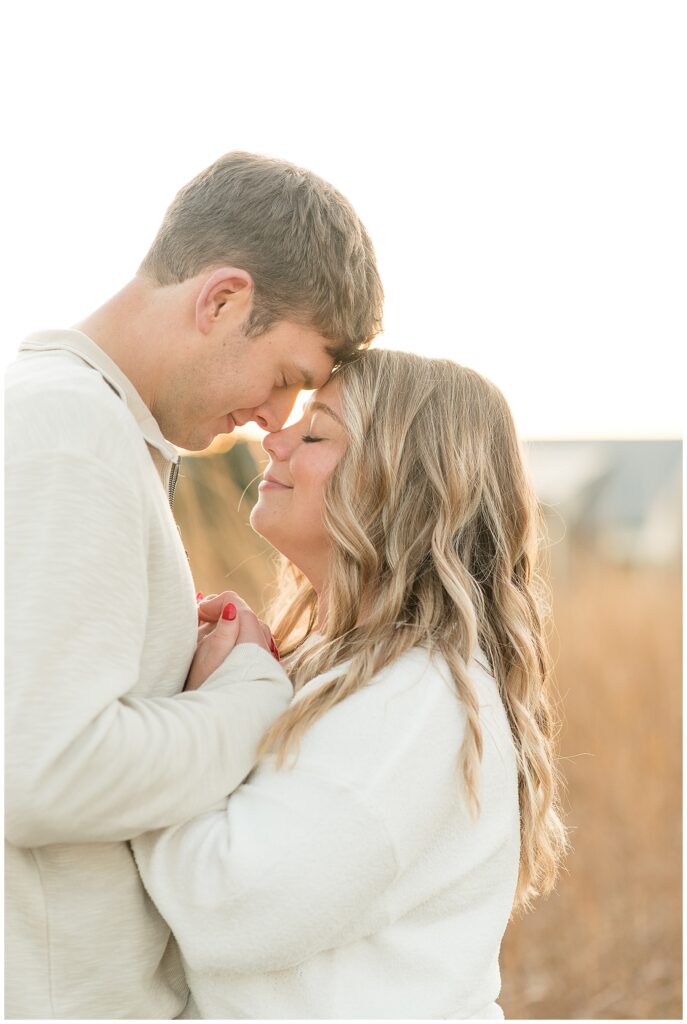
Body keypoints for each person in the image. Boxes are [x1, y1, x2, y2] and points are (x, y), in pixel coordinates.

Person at [4, 152, 383, 1020]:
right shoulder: (69, 430)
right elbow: (43, 775)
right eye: (286, 377)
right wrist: (254, 691)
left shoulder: (90, 429)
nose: (273, 421)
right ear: (221, 301)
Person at [132, 349, 569, 1020]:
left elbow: (230, 911)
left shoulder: (419, 700)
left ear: (397, 483)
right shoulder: (353, 671)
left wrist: (202, 710)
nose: (271, 440)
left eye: (315, 434)